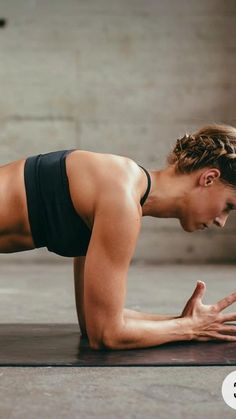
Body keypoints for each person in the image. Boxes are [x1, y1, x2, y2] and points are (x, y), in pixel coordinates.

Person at [1, 123, 236, 350]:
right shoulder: (121, 199)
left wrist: (185, 321)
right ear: (209, 178)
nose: (221, 222)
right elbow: (105, 335)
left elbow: (92, 320)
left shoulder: (124, 188)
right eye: (228, 206)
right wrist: (190, 329)